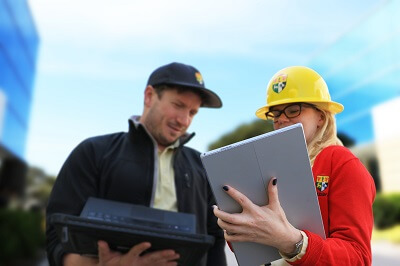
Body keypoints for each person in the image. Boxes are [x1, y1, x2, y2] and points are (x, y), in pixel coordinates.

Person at [46, 62, 227, 266]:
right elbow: (57, 239)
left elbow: (215, 239)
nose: (184, 120)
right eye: (178, 105)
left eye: (193, 112)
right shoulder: (93, 152)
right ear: (149, 96)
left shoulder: (202, 166)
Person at [213, 66, 376, 265]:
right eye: (275, 114)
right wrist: (240, 226)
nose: (281, 119)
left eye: (293, 110)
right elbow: (258, 249)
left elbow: (358, 258)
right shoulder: (267, 167)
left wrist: (293, 242)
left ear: (321, 117)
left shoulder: (342, 164)